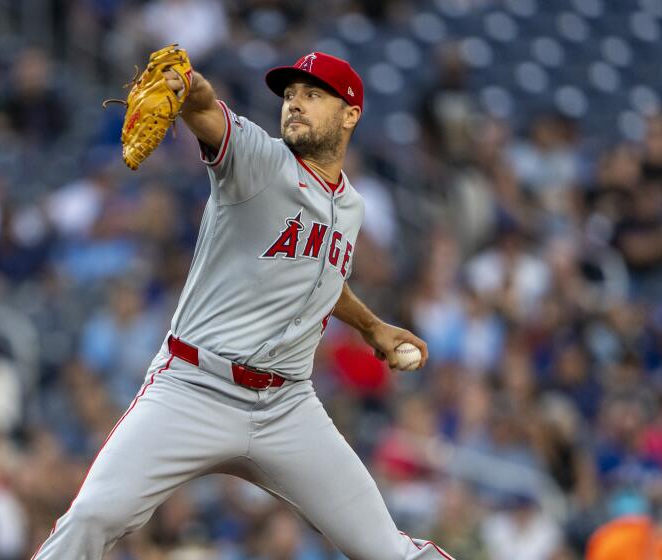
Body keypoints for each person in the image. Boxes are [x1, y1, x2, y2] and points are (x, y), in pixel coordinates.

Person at [33, 49, 452, 559]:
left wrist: (371, 327)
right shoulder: (258, 160)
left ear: (350, 114)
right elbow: (207, 106)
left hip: (287, 408)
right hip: (195, 387)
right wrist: (184, 84)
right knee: (93, 517)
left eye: (312, 95)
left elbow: (317, 275)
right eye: (290, 95)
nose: (294, 104)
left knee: (390, 551)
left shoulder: (353, 207)